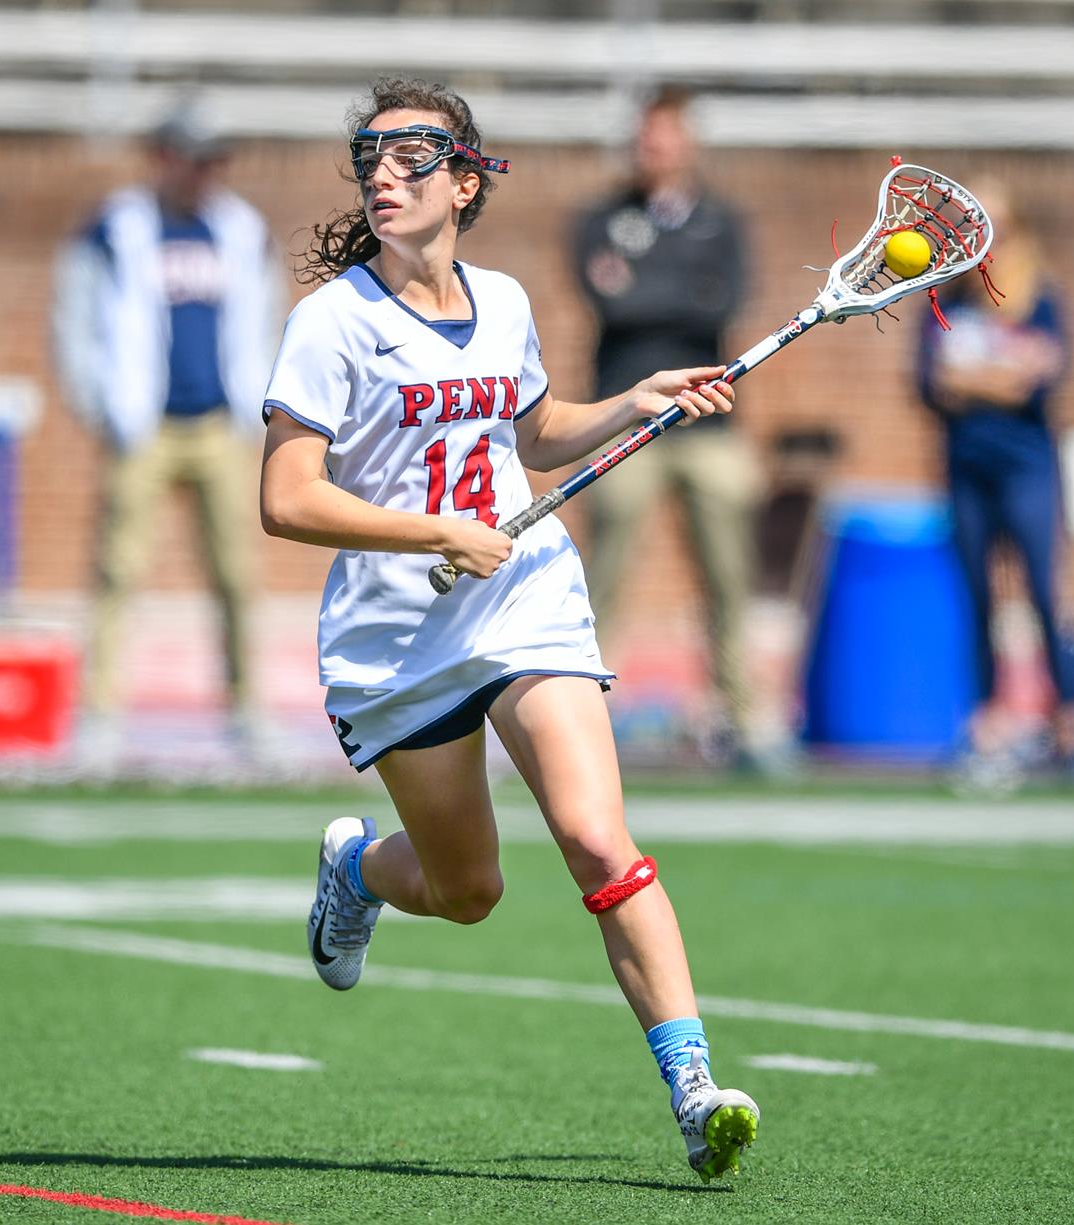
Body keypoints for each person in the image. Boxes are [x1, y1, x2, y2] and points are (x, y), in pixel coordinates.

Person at [257, 77, 760, 1181]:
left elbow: (533, 435)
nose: (384, 174)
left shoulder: (508, 299)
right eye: (368, 157)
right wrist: (426, 530)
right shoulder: (331, 321)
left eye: (411, 155)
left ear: (467, 176)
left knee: (594, 838)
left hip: (524, 595)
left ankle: (692, 1089)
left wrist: (635, 399)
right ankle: (355, 873)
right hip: (399, 636)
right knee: (468, 891)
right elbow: (287, 499)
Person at [52, 102, 283, 753]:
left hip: (218, 423)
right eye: (197, 158)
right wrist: (100, 402)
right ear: (163, 158)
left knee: (236, 572)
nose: (209, 173)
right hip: (143, 425)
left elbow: (264, 319)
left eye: (217, 160)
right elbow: (74, 318)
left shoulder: (241, 229)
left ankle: (246, 709)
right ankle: (99, 712)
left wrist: (256, 402)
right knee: (117, 570)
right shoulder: (115, 227)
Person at [570, 88, 764, 768]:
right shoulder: (602, 219)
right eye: (645, 138)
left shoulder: (722, 222)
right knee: (605, 575)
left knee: (729, 575)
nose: (653, 150)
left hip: (709, 424)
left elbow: (722, 303)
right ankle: (586, 712)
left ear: (688, 144)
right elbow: (608, 302)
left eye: (665, 138)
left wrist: (646, 287)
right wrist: (673, 293)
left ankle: (741, 718)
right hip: (628, 418)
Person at [915, 181, 1074, 771]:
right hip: (967, 467)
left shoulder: (1041, 297)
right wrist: (997, 374)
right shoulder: (944, 299)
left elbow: (1037, 377)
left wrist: (975, 377)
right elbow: (931, 383)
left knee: (1045, 592)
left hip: (1028, 468)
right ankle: (988, 720)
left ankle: (1069, 720)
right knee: (978, 599)